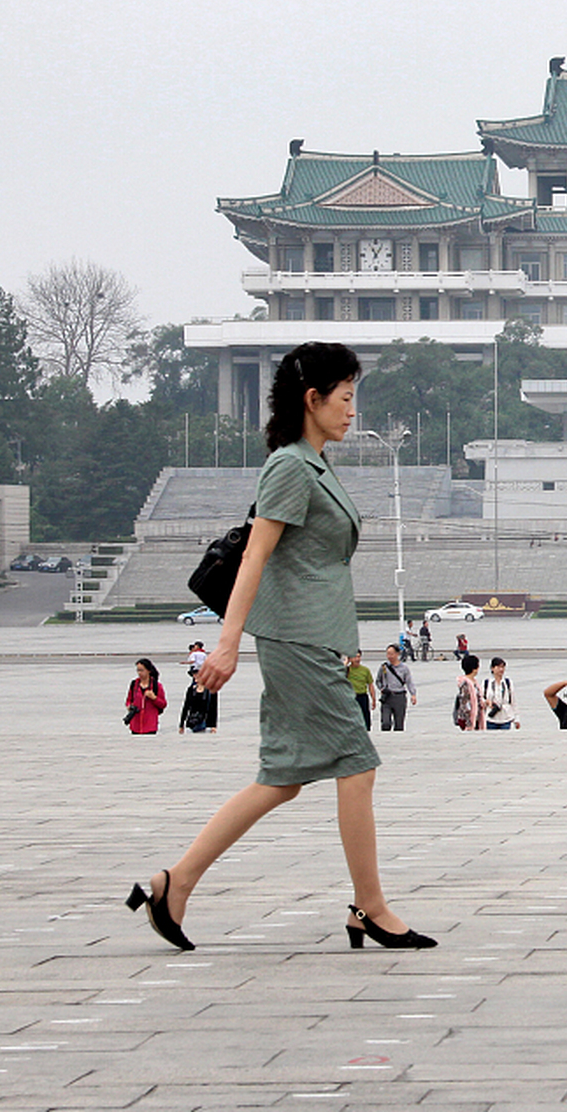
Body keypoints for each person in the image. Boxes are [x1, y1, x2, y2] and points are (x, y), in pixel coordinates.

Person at [132, 341, 432, 955]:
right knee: (358, 762)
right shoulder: (290, 467)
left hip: (318, 636)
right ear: (312, 400)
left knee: (283, 778)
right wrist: (225, 644)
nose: (352, 410)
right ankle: (369, 907)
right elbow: (256, 556)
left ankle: (175, 883)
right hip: (297, 639)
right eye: (345, 398)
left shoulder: (314, 463)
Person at [376, 644, 415, 731]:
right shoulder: (384, 667)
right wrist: (382, 688)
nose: (389, 656)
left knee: (399, 724)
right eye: (388, 654)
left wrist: (413, 694)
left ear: (397, 654)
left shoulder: (404, 668)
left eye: (391, 654)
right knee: (385, 723)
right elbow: (378, 680)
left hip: (399, 697)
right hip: (387, 697)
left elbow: (409, 682)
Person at [126, 659, 167, 735]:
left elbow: (163, 704)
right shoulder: (134, 684)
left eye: (142, 670)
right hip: (135, 725)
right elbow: (129, 700)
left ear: (149, 671)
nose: (139, 673)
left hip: (150, 726)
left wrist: (154, 698)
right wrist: (129, 706)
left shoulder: (157, 686)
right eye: (138, 670)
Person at [453, 653, 485, 731]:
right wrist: (468, 723)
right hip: (469, 720)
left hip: (476, 717)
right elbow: (464, 704)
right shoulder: (465, 683)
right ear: (474, 668)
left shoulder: (474, 682)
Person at [485, 657, 517, 730]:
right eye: (498, 667)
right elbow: (482, 698)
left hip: (505, 717)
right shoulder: (487, 683)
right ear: (492, 668)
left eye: (503, 667)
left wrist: (516, 718)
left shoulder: (507, 682)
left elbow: (513, 701)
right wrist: (488, 702)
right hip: (491, 717)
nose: (501, 669)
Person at [345, 651, 374, 731]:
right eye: (354, 657)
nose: (357, 659)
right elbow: (337, 674)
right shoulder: (347, 670)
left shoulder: (365, 670)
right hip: (351, 697)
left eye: (358, 657)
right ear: (350, 659)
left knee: (365, 717)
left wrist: (373, 699)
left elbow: (370, 684)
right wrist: (346, 663)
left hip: (363, 696)